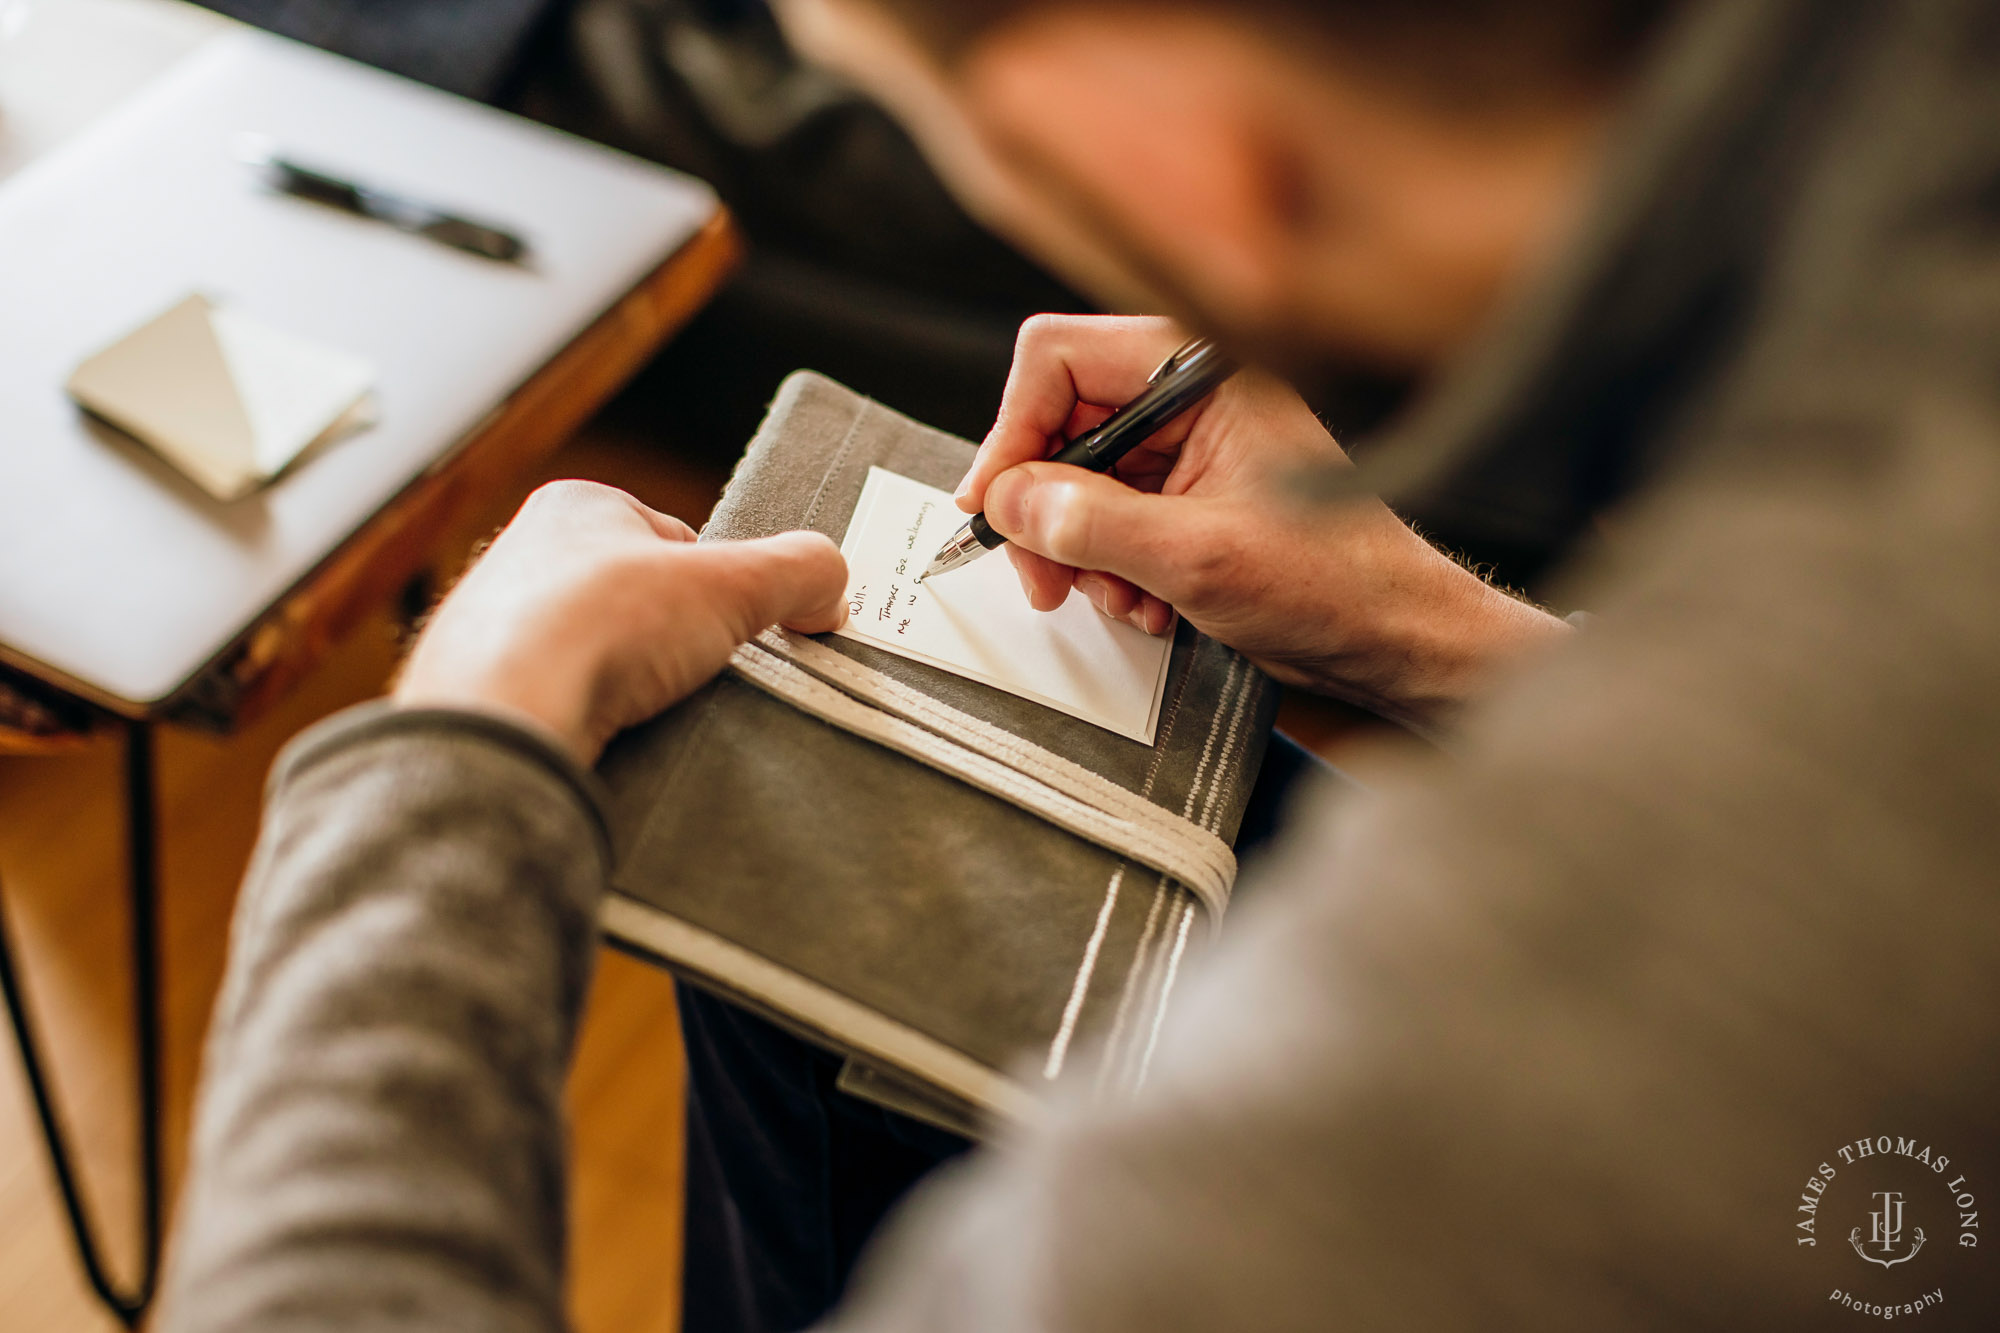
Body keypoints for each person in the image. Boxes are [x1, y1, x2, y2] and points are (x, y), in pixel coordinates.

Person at [157, 0, 2000, 1330]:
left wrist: (467, 737)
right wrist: (1452, 637)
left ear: (1166, 164)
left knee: (810, 917)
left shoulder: (1490, 1070)